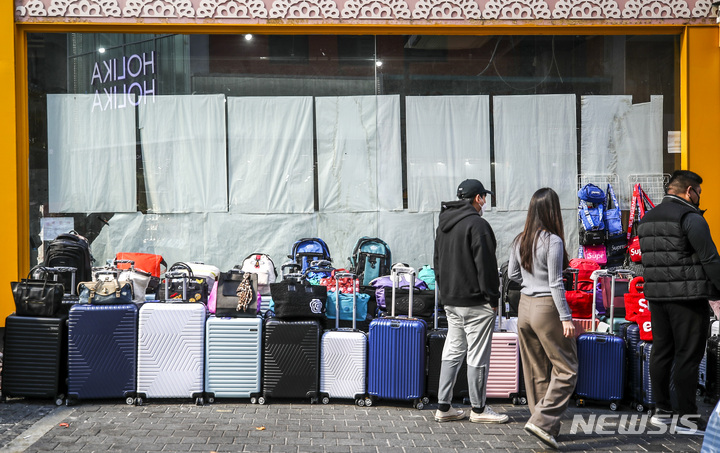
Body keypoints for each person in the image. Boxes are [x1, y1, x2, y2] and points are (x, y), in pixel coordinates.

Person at [638, 170, 720, 434]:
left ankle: (660, 411)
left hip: (657, 298)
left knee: (662, 351)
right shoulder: (690, 217)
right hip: (687, 298)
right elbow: (710, 259)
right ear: (689, 191)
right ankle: (687, 416)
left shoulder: (647, 218)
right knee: (688, 355)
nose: (698, 198)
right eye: (698, 192)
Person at [433, 178, 509, 424]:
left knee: (452, 351)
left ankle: (443, 407)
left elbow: (437, 263)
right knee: (478, 355)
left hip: (451, 300)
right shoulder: (478, 225)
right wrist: (493, 297)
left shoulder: (443, 224)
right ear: (478, 198)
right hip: (476, 302)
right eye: (483, 197)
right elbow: (486, 267)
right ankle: (478, 409)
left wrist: (445, 294)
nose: (485, 202)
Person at [507, 187, 577, 450]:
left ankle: (543, 424)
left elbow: (512, 274)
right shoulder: (553, 241)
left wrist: (529, 282)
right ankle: (544, 422)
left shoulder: (520, 239)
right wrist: (566, 317)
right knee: (567, 367)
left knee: (536, 369)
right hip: (547, 308)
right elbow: (556, 283)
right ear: (552, 211)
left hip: (524, 307)